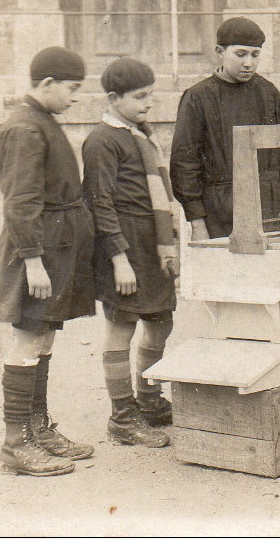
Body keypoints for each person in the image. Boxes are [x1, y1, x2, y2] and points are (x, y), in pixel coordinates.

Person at [0, 46, 96, 476]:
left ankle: (37, 429)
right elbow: (19, 203)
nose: (76, 97)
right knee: (27, 339)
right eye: (72, 89)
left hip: (54, 247)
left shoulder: (42, 121)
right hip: (35, 249)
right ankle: (15, 445)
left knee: (44, 336)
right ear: (48, 84)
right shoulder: (25, 129)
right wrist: (33, 261)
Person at [82, 57, 178, 449]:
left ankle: (149, 400)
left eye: (150, 95)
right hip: (122, 250)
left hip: (150, 248)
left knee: (161, 322)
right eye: (140, 97)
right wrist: (119, 259)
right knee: (122, 330)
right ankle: (122, 418)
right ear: (112, 98)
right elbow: (99, 203)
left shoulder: (140, 134)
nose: (148, 103)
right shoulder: (102, 141)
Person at [170, 17, 280, 240]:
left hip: (268, 208)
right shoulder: (198, 97)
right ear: (220, 51)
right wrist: (197, 223)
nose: (248, 63)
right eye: (240, 54)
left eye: (255, 55)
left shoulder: (269, 94)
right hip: (219, 213)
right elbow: (184, 163)